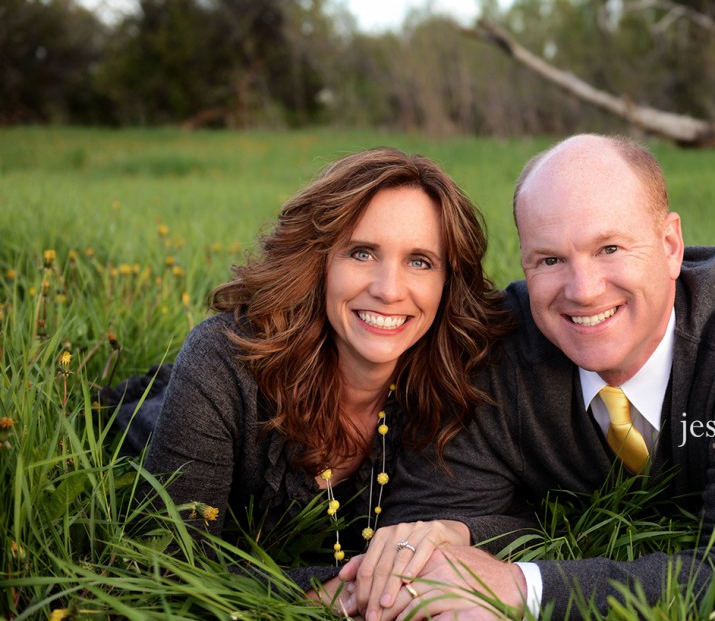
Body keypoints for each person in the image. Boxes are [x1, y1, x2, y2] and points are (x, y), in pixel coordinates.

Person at [338, 134, 715, 621]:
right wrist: (453, 559)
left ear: (671, 245)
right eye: (550, 259)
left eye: (609, 249)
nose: (582, 290)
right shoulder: (493, 351)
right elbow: (429, 536)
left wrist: (523, 588)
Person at [138, 147, 509, 597]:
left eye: (419, 261)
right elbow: (166, 567)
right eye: (362, 253)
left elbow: (516, 517)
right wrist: (344, 592)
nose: (389, 290)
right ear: (320, 263)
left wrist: (455, 533)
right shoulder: (222, 360)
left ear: (447, 282)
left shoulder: (461, 378)